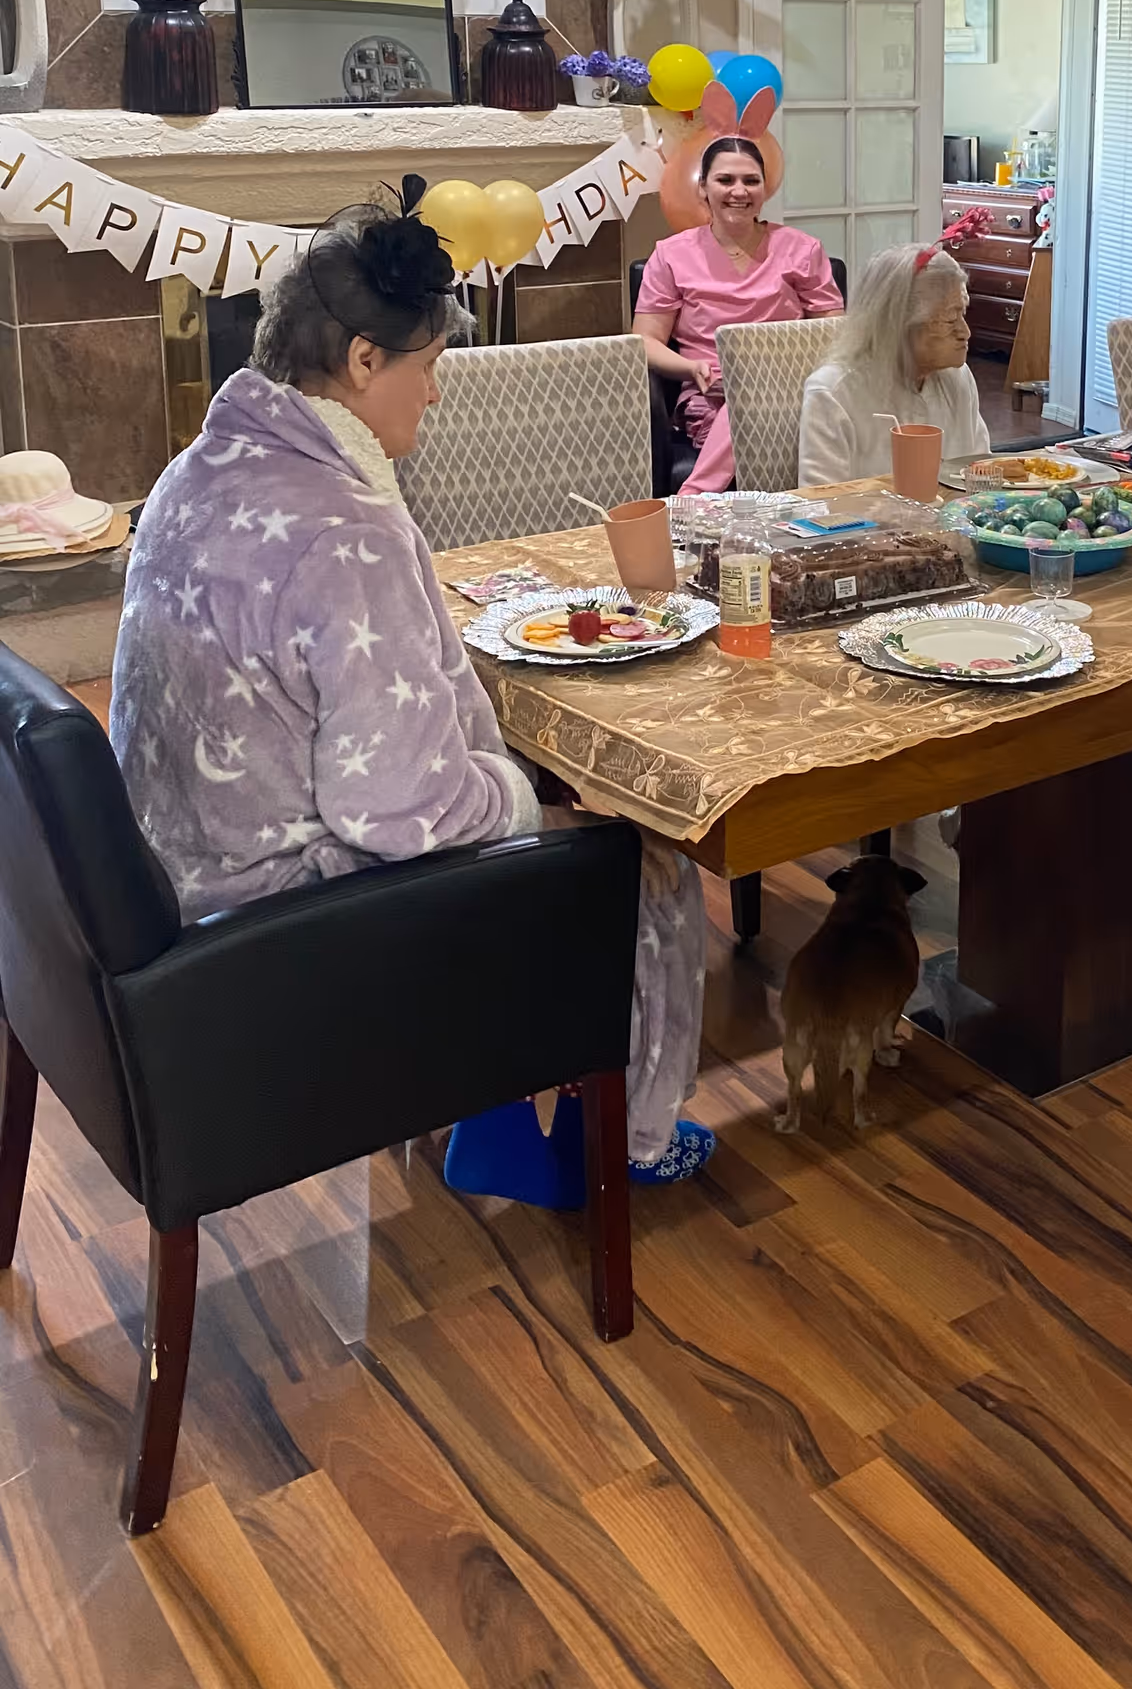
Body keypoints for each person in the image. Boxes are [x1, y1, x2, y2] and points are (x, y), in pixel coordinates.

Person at [108, 196, 712, 1201]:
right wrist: (535, 804)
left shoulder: (189, 472)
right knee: (644, 853)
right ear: (360, 364)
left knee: (533, 798)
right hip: (281, 924)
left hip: (172, 874)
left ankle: (501, 1105)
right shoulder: (346, 527)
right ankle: (633, 1141)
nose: (434, 397)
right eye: (427, 370)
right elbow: (401, 812)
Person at [633, 136, 843, 491]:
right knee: (744, 402)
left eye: (751, 180)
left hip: (790, 388)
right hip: (709, 391)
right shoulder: (670, 255)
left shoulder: (803, 250)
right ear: (703, 188)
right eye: (725, 180)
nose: (739, 191)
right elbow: (644, 341)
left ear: (765, 187)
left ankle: (693, 498)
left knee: (752, 397)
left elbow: (835, 330)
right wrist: (691, 369)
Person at [797, 238, 992, 486]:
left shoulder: (958, 377)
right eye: (949, 319)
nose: (965, 332)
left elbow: (980, 476)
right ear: (899, 325)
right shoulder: (834, 393)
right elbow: (819, 504)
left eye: (962, 314)